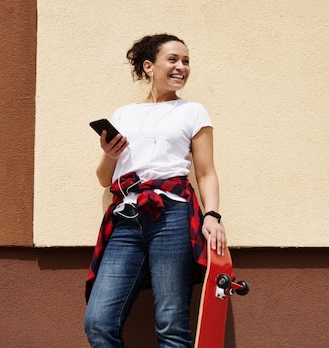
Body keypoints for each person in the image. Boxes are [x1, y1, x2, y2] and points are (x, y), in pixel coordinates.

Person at [84, 34, 226, 347]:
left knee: (171, 325)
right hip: (126, 219)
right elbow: (105, 179)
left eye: (186, 61)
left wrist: (212, 216)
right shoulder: (124, 114)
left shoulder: (193, 112)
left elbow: (205, 172)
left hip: (171, 216)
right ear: (149, 67)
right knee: (99, 321)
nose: (182, 67)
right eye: (173, 59)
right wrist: (109, 154)